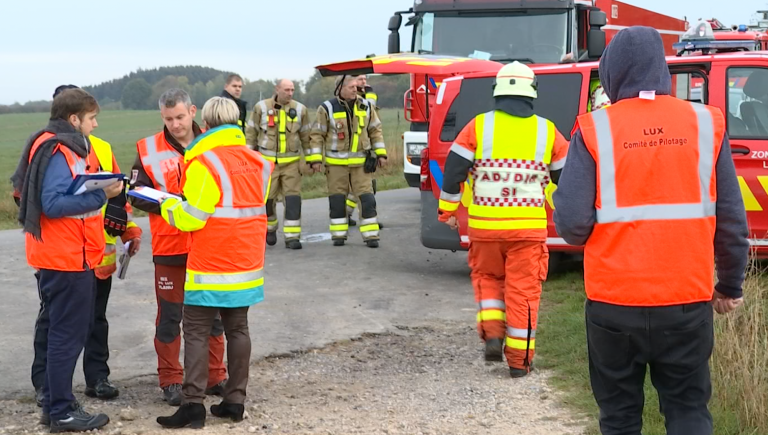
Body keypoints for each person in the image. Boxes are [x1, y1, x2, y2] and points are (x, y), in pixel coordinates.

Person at [552, 26, 749, 435]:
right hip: (686, 301)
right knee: (688, 411)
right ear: (662, 70)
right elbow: (731, 218)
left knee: (620, 418)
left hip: (612, 303)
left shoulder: (594, 129)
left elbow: (571, 226)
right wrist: (729, 285)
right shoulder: (705, 124)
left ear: (612, 72)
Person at [14, 86, 142, 413]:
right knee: (63, 335)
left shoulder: (64, 145)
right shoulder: (59, 149)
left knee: (74, 328)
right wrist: (101, 195)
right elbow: (53, 203)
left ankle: (64, 401)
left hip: (79, 253)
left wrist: (120, 216)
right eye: (92, 118)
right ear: (74, 118)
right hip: (65, 256)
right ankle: (59, 407)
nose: (96, 124)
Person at [437, 61, 568, 378]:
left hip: (485, 229)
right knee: (523, 292)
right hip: (527, 231)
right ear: (531, 92)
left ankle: (494, 334)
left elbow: (454, 172)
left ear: (497, 91)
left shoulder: (478, 126)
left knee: (489, 281)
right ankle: (519, 363)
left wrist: (448, 212)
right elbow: (567, 177)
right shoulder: (546, 130)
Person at [156, 97, 273, 429]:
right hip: (247, 261)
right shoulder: (258, 161)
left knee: (194, 330)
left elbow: (193, 217)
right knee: (238, 328)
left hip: (212, 262)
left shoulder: (205, 162)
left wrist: (168, 207)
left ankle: (193, 405)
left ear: (203, 124)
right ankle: (235, 400)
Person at [130, 88, 228, 406]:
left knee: (212, 315)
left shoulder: (213, 143)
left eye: (180, 117)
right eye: (169, 119)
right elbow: (134, 194)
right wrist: (173, 205)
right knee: (170, 317)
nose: (175, 124)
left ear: (193, 111)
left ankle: (216, 376)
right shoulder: (148, 149)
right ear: (163, 117)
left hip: (207, 246)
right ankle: (171, 379)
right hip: (170, 245)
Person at [309, 74, 387, 248]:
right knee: (337, 200)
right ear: (340, 89)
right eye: (351, 87)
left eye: (355, 87)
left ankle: (371, 235)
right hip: (336, 164)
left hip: (361, 164)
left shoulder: (365, 106)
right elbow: (317, 135)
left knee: (367, 198)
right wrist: (315, 160)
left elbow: (375, 130)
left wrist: (381, 154)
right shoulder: (327, 108)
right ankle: (338, 235)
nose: (356, 89)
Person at [246, 79, 321, 249]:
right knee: (267, 200)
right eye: (286, 89)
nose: (290, 93)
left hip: (291, 164)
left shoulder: (300, 109)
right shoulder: (261, 108)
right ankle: (270, 228)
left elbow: (306, 137)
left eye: (292, 90)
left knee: (293, 199)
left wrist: (312, 160)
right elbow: (251, 133)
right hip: (267, 164)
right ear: (277, 89)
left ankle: (292, 237)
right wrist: (248, 158)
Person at [345, 74, 384, 228]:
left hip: (367, 148)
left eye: (365, 79)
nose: (364, 82)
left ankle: (348, 214)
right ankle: (352, 215)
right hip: (353, 153)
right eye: (360, 79)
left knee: (364, 188)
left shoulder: (368, 95)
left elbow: (373, 121)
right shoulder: (353, 98)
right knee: (362, 188)